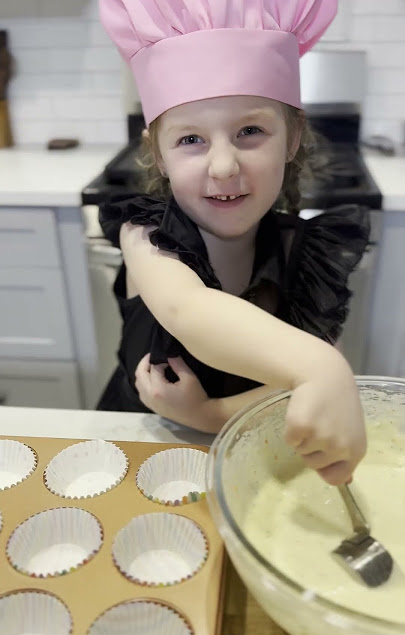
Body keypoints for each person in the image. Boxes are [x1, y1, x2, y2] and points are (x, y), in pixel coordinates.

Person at [98, 0, 370, 486]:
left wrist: (210, 414)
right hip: (133, 452)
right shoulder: (145, 237)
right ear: (157, 154)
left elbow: (294, 394)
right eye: (190, 140)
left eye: (250, 131)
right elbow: (189, 310)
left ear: (291, 138)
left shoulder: (305, 253)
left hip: (252, 460)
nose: (223, 166)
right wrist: (320, 366)